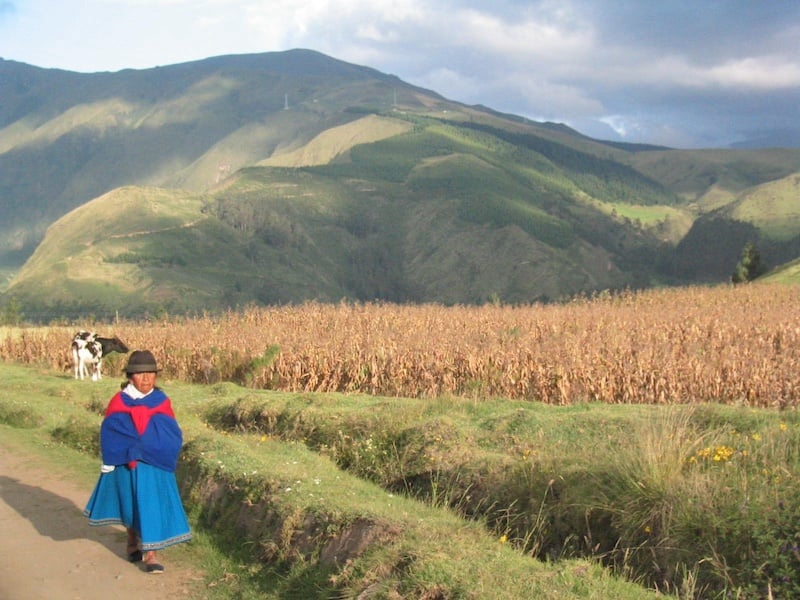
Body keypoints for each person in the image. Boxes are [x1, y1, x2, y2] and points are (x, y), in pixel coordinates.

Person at [84, 350, 192, 574]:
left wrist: (151, 447)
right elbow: (111, 431)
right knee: (130, 502)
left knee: (150, 503)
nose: (146, 378)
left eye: (151, 373)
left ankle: (151, 555)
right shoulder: (119, 401)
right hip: (125, 461)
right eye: (140, 374)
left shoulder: (161, 402)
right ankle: (132, 541)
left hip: (153, 462)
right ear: (130, 376)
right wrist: (125, 450)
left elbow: (171, 433)